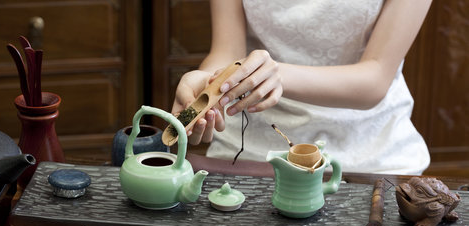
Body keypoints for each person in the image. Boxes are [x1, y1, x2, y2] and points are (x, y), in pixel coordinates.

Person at [171, 0, 432, 174]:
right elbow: (228, 50)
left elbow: (375, 79)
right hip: (247, 148)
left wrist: (277, 74)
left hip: (368, 154)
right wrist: (207, 80)